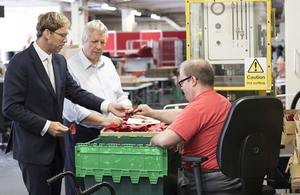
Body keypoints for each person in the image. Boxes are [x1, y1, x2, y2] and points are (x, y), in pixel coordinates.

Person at [2, 12, 129, 195]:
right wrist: (46, 125)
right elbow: (10, 107)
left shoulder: (59, 61)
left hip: (57, 146)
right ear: (47, 33)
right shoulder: (20, 63)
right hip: (33, 148)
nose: (66, 40)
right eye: (62, 35)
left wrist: (107, 105)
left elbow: (75, 92)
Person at [135, 58, 241, 194]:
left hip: (205, 180)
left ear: (193, 80)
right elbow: (183, 115)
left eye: (181, 82)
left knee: (169, 187)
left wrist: (153, 139)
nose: (181, 87)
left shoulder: (197, 108)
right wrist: (151, 113)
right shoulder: (221, 101)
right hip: (230, 177)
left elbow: (164, 141)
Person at [62, 19, 133, 195]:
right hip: (82, 135)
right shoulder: (69, 68)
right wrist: (104, 121)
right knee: (81, 184)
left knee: (107, 181)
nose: (99, 46)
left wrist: (127, 108)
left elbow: (120, 94)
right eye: (94, 41)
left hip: (110, 132)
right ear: (84, 40)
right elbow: (74, 110)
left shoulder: (108, 64)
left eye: (102, 42)